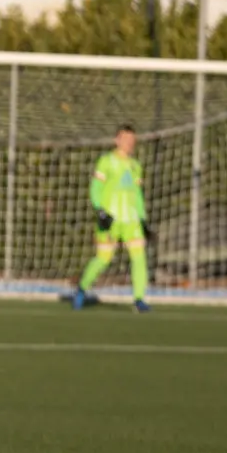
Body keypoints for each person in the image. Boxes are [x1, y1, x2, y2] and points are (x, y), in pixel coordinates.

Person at [72, 124, 153, 313]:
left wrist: (143, 219)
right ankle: (82, 288)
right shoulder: (106, 161)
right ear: (117, 140)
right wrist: (99, 210)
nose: (129, 143)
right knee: (103, 259)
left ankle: (139, 299)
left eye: (132, 140)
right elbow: (96, 188)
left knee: (139, 257)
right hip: (110, 219)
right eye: (125, 139)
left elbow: (137, 194)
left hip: (131, 220)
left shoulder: (135, 166)